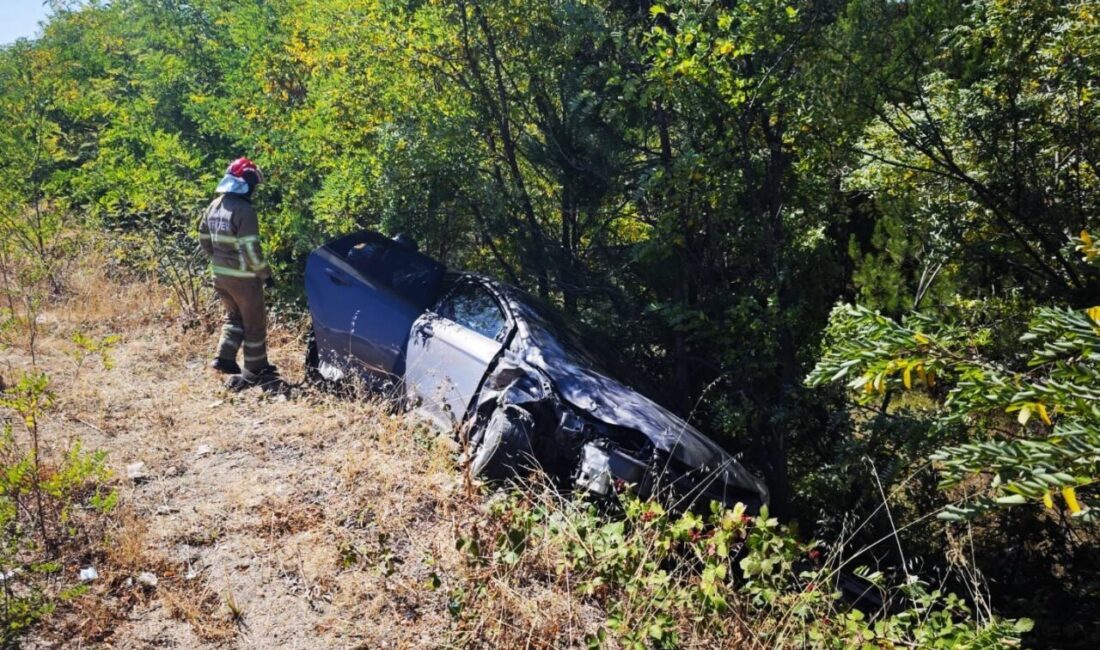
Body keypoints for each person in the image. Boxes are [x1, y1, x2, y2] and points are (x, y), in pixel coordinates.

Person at [197, 157, 278, 390]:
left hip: (219, 275)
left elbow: (204, 239)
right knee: (254, 323)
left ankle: (223, 356)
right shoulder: (244, 210)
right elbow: (250, 248)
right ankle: (256, 370)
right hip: (243, 279)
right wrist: (265, 275)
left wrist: (218, 259)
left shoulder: (214, 205)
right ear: (245, 184)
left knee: (233, 318)